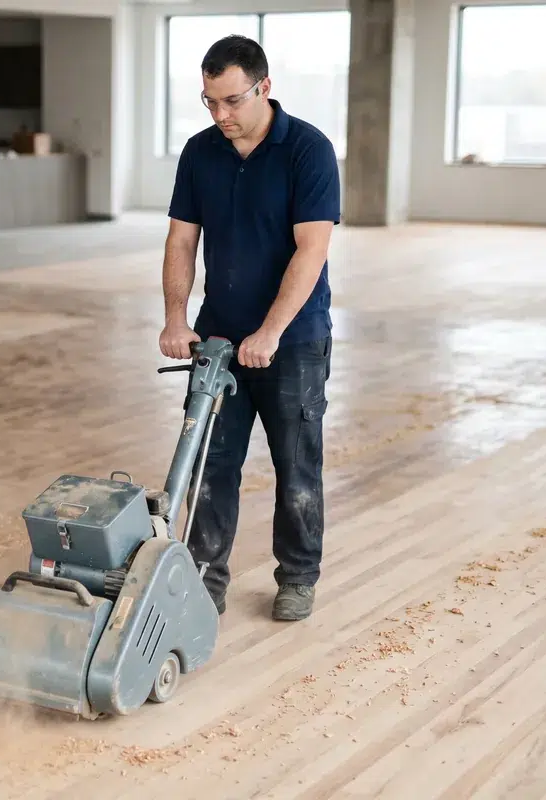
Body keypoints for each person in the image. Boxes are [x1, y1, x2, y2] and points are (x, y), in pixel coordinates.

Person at [158, 34, 339, 621]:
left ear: (265, 88)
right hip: (218, 340)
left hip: (294, 339)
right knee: (211, 465)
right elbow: (181, 239)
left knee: (297, 466)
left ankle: (298, 578)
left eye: (232, 101)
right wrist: (175, 318)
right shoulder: (200, 151)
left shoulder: (307, 150)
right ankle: (204, 580)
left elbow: (311, 250)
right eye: (210, 101)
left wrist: (271, 331)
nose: (221, 115)